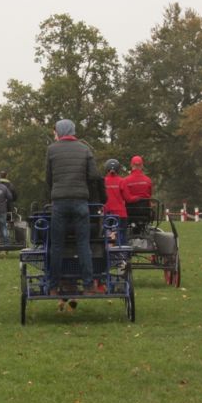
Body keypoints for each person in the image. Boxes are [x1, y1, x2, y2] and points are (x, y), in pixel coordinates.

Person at [45, 119, 102, 302]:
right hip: (80, 201)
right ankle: (88, 285)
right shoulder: (84, 149)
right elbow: (94, 175)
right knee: (83, 244)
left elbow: (48, 178)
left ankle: (53, 287)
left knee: (57, 245)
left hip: (59, 201)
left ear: (60, 131)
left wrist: (56, 190)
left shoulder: (52, 150)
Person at [103, 158, 134, 244]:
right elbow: (128, 198)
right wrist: (137, 197)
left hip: (107, 213)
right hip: (120, 214)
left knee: (107, 234)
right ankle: (122, 250)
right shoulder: (121, 181)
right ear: (118, 169)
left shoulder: (103, 181)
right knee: (121, 234)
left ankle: (108, 249)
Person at [122, 155, 153, 233]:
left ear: (131, 165)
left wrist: (136, 198)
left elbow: (126, 198)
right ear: (142, 165)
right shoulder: (148, 180)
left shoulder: (125, 181)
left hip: (130, 213)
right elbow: (149, 195)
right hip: (145, 212)